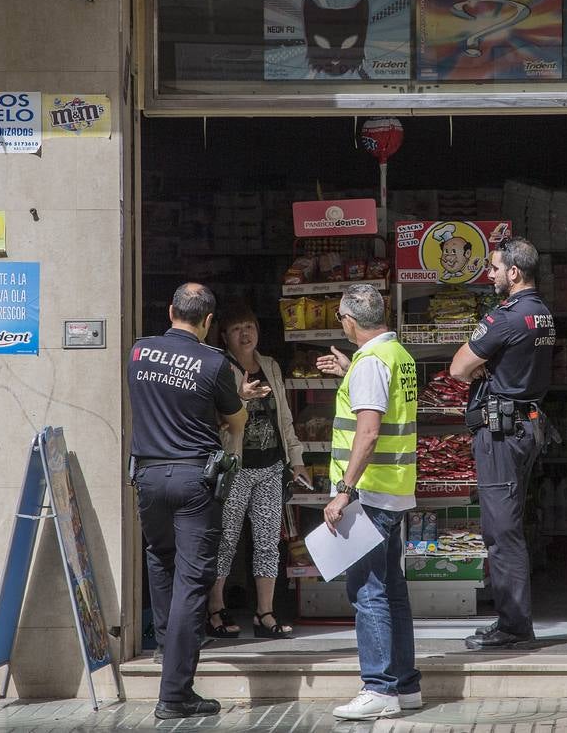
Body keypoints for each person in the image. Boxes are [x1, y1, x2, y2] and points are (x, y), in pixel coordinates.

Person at [127, 283, 247, 720]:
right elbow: (235, 418)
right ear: (209, 321)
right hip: (195, 478)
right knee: (192, 582)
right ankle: (175, 693)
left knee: (161, 561)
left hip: (149, 476)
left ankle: (166, 656)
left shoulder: (138, 353)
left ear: (171, 309)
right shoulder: (214, 362)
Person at [315, 283, 424, 719]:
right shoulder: (397, 356)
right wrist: (350, 371)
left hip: (369, 495)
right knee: (393, 590)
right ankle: (405, 685)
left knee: (368, 591)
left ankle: (378, 688)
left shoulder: (371, 362)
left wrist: (345, 490)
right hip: (393, 490)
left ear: (348, 320)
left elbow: (369, 431)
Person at [449, 237, 554, 650]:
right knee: (509, 522)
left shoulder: (506, 318)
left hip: (502, 433)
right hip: (525, 426)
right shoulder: (542, 314)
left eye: (495, 268)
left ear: (514, 273)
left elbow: (459, 366)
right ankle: (512, 620)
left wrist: (480, 367)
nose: (489, 275)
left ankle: (513, 625)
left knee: (501, 529)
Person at [207, 303, 312, 639]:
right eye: (237, 328)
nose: (245, 333)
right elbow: (214, 420)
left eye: (250, 326)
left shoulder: (270, 365)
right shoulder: (219, 366)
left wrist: (296, 459)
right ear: (224, 336)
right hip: (236, 468)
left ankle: (264, 613)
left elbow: (284, 418)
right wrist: (242, 397)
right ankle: (215, 609)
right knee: (226, 541)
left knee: (268, 542)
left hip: (270, 467)